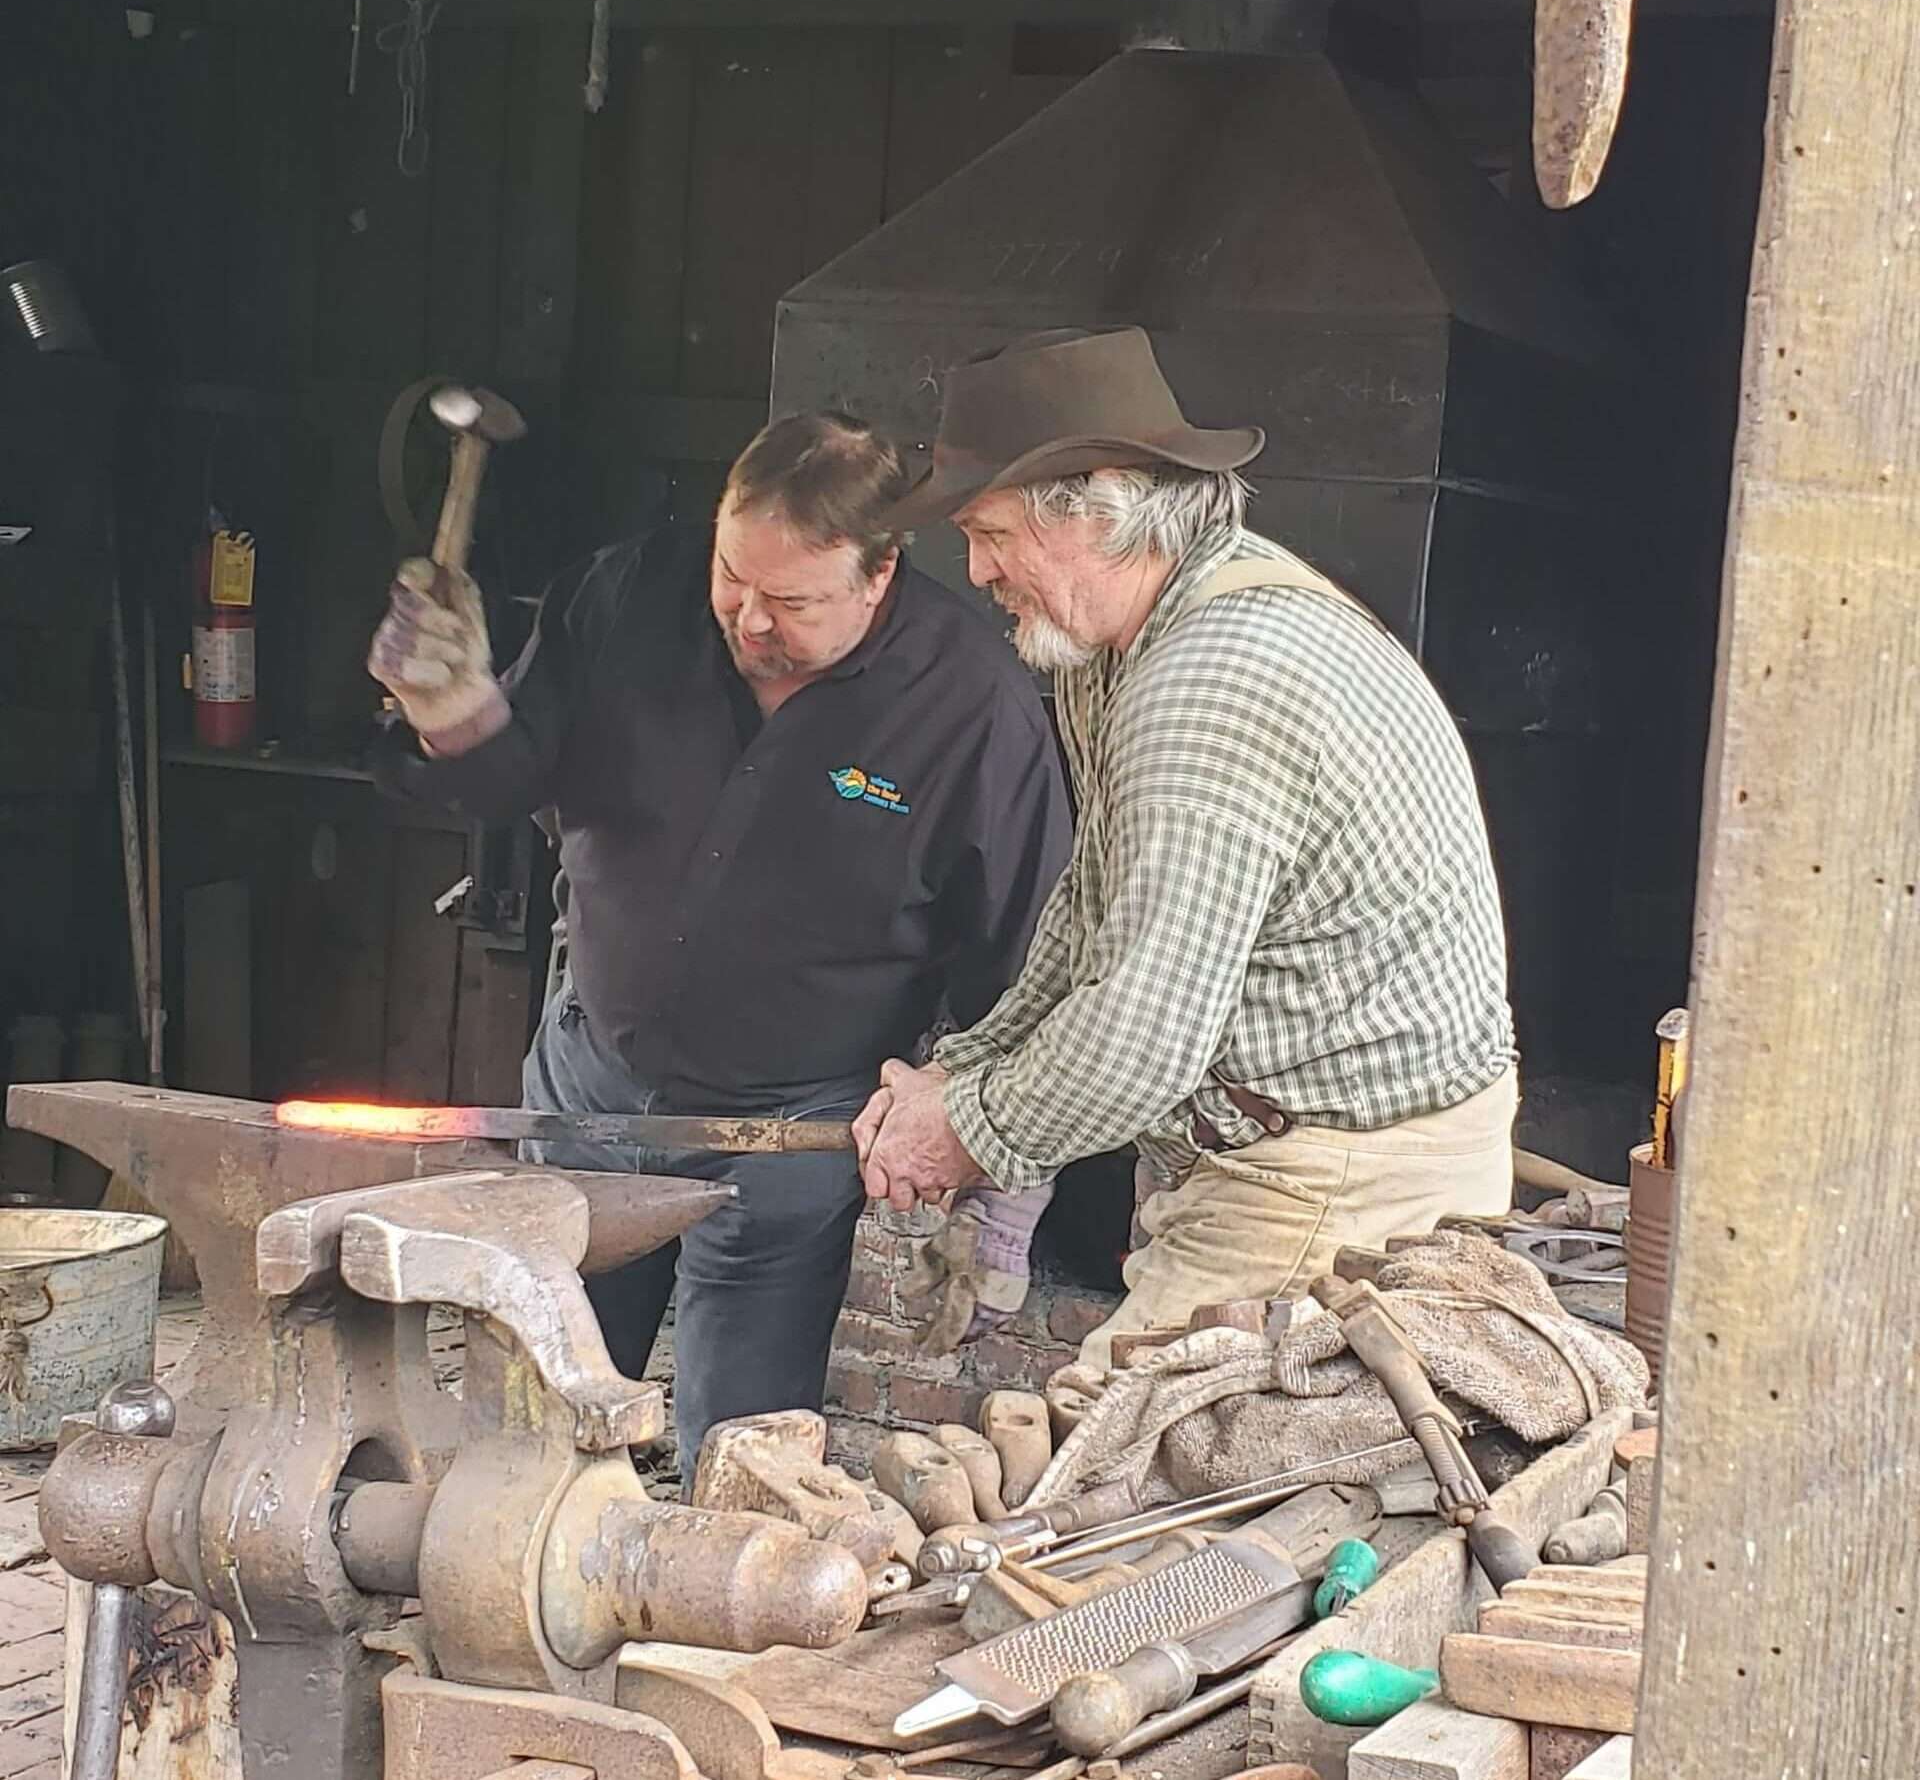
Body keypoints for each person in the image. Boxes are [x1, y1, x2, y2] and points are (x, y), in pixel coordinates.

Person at [368, 411, 1071, 1475]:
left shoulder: (971, 702)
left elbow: (1024, 962)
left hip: (788, 1136)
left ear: (879, 574)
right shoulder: (623, 595)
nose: (748, 618)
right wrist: (452, 709)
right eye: (732, 576)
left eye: (789, 600)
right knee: (526, 1433)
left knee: (743, 1463)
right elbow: (511, 784)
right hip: (588, 1091)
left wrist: (1000, 1185)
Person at [852, 328, 1519, 1368]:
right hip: (1266, 1149)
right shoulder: (1110, 647)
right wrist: (965, 1071)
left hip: (1338, 1176)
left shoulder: (1207, 680)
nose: (975, 569)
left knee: (1111, 1485)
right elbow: (1089, 914)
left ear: (1099, 506)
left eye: (991, 532)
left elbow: (1143, 1032)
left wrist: (966, 1129)